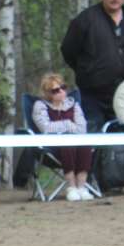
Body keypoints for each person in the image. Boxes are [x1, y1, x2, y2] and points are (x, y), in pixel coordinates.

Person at [61, 0, 124, 132]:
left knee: (123, 139)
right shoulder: (85, 20)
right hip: (93, 96)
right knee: (94, 138)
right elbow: (68, 50)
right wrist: (88, 70)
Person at [31, 74, 93, 202]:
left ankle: (82, 187)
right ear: (48, 94)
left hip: (76, 142)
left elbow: (82, 129)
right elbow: (46, 128)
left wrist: (64, 128)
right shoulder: (40, 106)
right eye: (55, 90)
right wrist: (68, 124)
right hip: (51, 147)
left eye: (63, 87)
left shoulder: (73, 105)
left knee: (85, 145)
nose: (61, 91)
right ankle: (71, 187)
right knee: (67, 145)